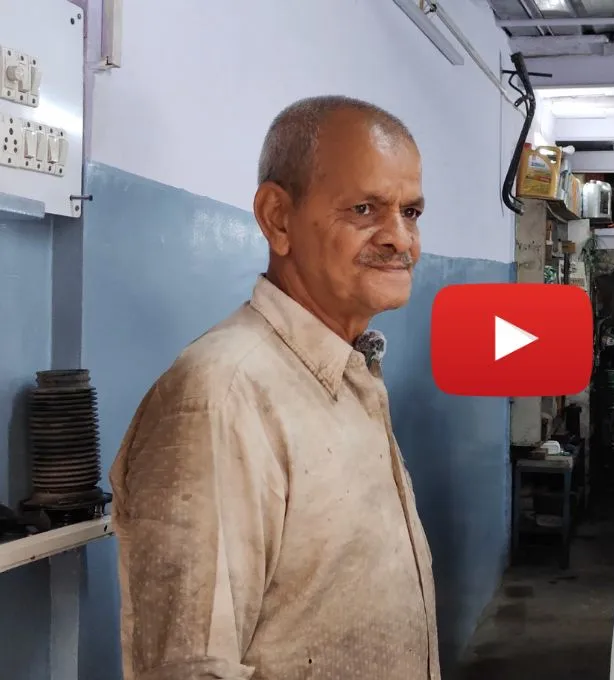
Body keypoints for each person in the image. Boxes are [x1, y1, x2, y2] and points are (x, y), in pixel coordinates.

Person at [109, 96, 439, 680]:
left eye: (410, 213)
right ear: (278, 218)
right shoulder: (221, 396)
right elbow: (190, 667)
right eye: (365, 209)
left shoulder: (346, 369)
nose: (399, 239)